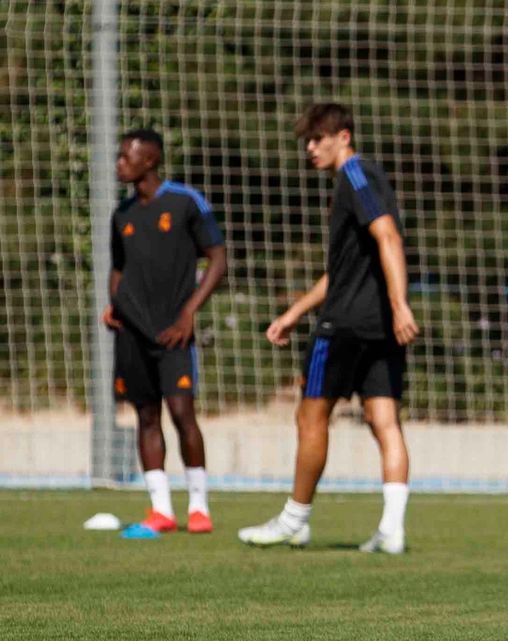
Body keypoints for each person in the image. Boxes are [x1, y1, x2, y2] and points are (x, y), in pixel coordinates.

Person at [238, 103, 419, 554]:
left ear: (344, 135)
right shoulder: (365, 179)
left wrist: (401, 305)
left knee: (312, 415)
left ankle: (294, 520)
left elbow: (389, 237)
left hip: (344, 325)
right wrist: (294, 312)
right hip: (378, 326)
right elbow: (343, 271)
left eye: (318, 138)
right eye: (307, 141)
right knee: (385, 420)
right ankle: (392, 530)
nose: (311, 148)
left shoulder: (355, 176)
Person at [103, 128, 227, 534]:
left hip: (174, 332)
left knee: (181, 413)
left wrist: (189, 312)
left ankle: (199, 507)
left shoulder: (185, 202)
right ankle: (161, 510)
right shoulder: (121, 214)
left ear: (150, 160)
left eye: (126, 156)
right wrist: (115, 304)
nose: (119, 163)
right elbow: (119, 269)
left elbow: (217, 258)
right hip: (132, 334)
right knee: (146, 415)